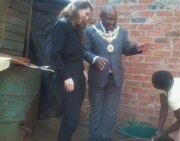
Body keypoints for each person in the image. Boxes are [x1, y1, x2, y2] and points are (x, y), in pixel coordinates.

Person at [83, 4, 151, 141]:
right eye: (108, 19)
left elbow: (125, 50)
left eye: (114, 19)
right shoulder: (90, 31)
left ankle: (106, 137)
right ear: (101, 17)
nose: (112, 22)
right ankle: (94, 138)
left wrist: (136, 49)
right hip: (97, 78)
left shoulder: (121, 32)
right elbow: (84, 51)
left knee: (111, 111)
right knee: (96, 110)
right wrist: (94, 58)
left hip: (115, 79)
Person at [51, 1, 92, 141]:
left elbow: (76, 53)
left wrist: (82, 70)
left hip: (78, 76)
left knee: (73, 118)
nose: (86, 18)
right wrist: (66, 76)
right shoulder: (62, 25)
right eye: (86, 14)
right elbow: (55, 53)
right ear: (77, 9)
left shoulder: (75, 28)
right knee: (72, 119)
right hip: (68, 78)